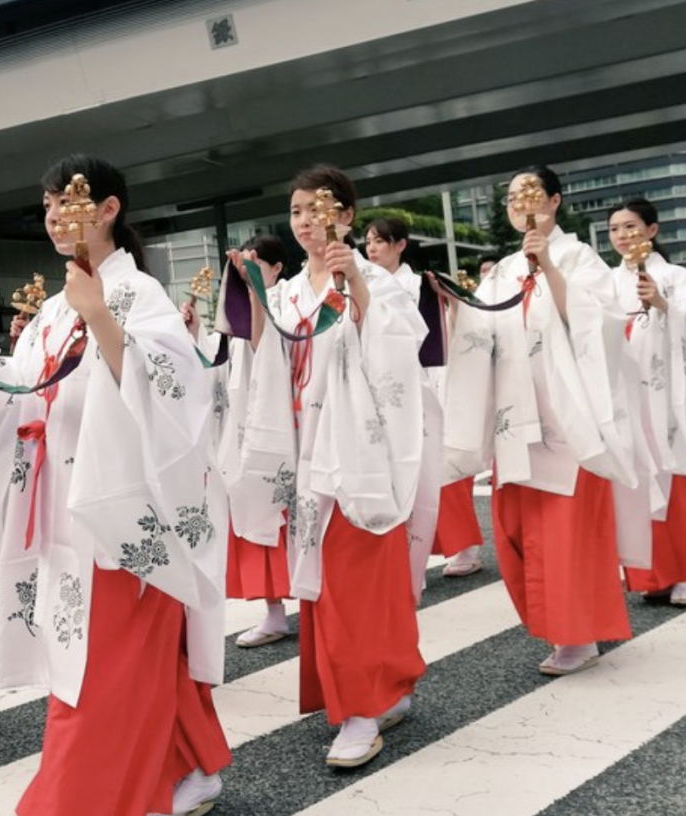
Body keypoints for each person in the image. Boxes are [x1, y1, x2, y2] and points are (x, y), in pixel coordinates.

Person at [0, 154, 230, 816]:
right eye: (45, 206)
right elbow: (27, 387)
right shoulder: (52, 309)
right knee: (118, 657)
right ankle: (189, 765)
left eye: (64, 203)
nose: (52, 217)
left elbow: (174, 393)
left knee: (99, 671)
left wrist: (100, 317)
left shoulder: (137, 294)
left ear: (109, 209)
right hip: (60, 507)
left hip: (116, 510)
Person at [235, 165, 427, 767]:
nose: (303, 222)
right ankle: (382, 688)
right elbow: (259, 360)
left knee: (356, 582)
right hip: (302, 447)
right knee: (330, 584)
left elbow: (399, 351)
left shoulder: (374, 279)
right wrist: (252, 296)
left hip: (351, 449)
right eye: (295, 211)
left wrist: (359, 285)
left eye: (315, 210)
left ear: (345, 215)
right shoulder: (289, 290)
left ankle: (364, 708)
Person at [443, 166, 641, 676]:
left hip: (564, 423)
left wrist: (550, 268)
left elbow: (602, 326)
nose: (521, 204)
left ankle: (578, 633)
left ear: (554, 201)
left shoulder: (580, 258)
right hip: (514, 421)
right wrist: (457, 310)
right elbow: (481, 335)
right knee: (517, 533)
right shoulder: (503, 271)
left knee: (565, 533)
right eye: (512, 197)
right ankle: (555, 625)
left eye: (530, 194)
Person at [605, 199, 686, 607]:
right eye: (615, 229)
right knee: (634, 483)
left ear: (652, 230)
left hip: (664, 397)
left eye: (631, 227)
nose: (623, 236)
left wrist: (662, 304)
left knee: (675, 476)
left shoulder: (678, 277)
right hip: (624, 395)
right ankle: (653, 572)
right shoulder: (606, 281)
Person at [184, 234, 294, 648]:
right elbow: (219, 360)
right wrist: (196, 332)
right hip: (243, 425)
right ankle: (274, 611)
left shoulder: (287, 299)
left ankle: (317, 605)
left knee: (288, 517)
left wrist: (255, 295)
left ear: (277, 268)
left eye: (256, 264)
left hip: (282, 424)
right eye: (243, 265)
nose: (248, 272)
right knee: (253, 513)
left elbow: (271, 346)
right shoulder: (238, 304)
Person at [364, 216, 484, 582]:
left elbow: (447, 331)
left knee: (439, 465)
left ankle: (465, 545)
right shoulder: (361, 283)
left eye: (379, 241)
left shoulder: (419, 284)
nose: (371, 248)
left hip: (424, 379)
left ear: (400, 245)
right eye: (368, 241)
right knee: (395, 471)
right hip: (380, 385)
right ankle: (406, 548)